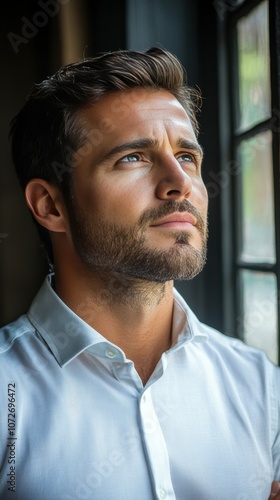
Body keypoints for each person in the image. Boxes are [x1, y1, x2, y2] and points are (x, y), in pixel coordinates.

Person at [0, 47, 279, 500]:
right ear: (51, 206)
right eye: (133, 158)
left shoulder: (263, 387)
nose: (180, 183)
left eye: (187, 156)